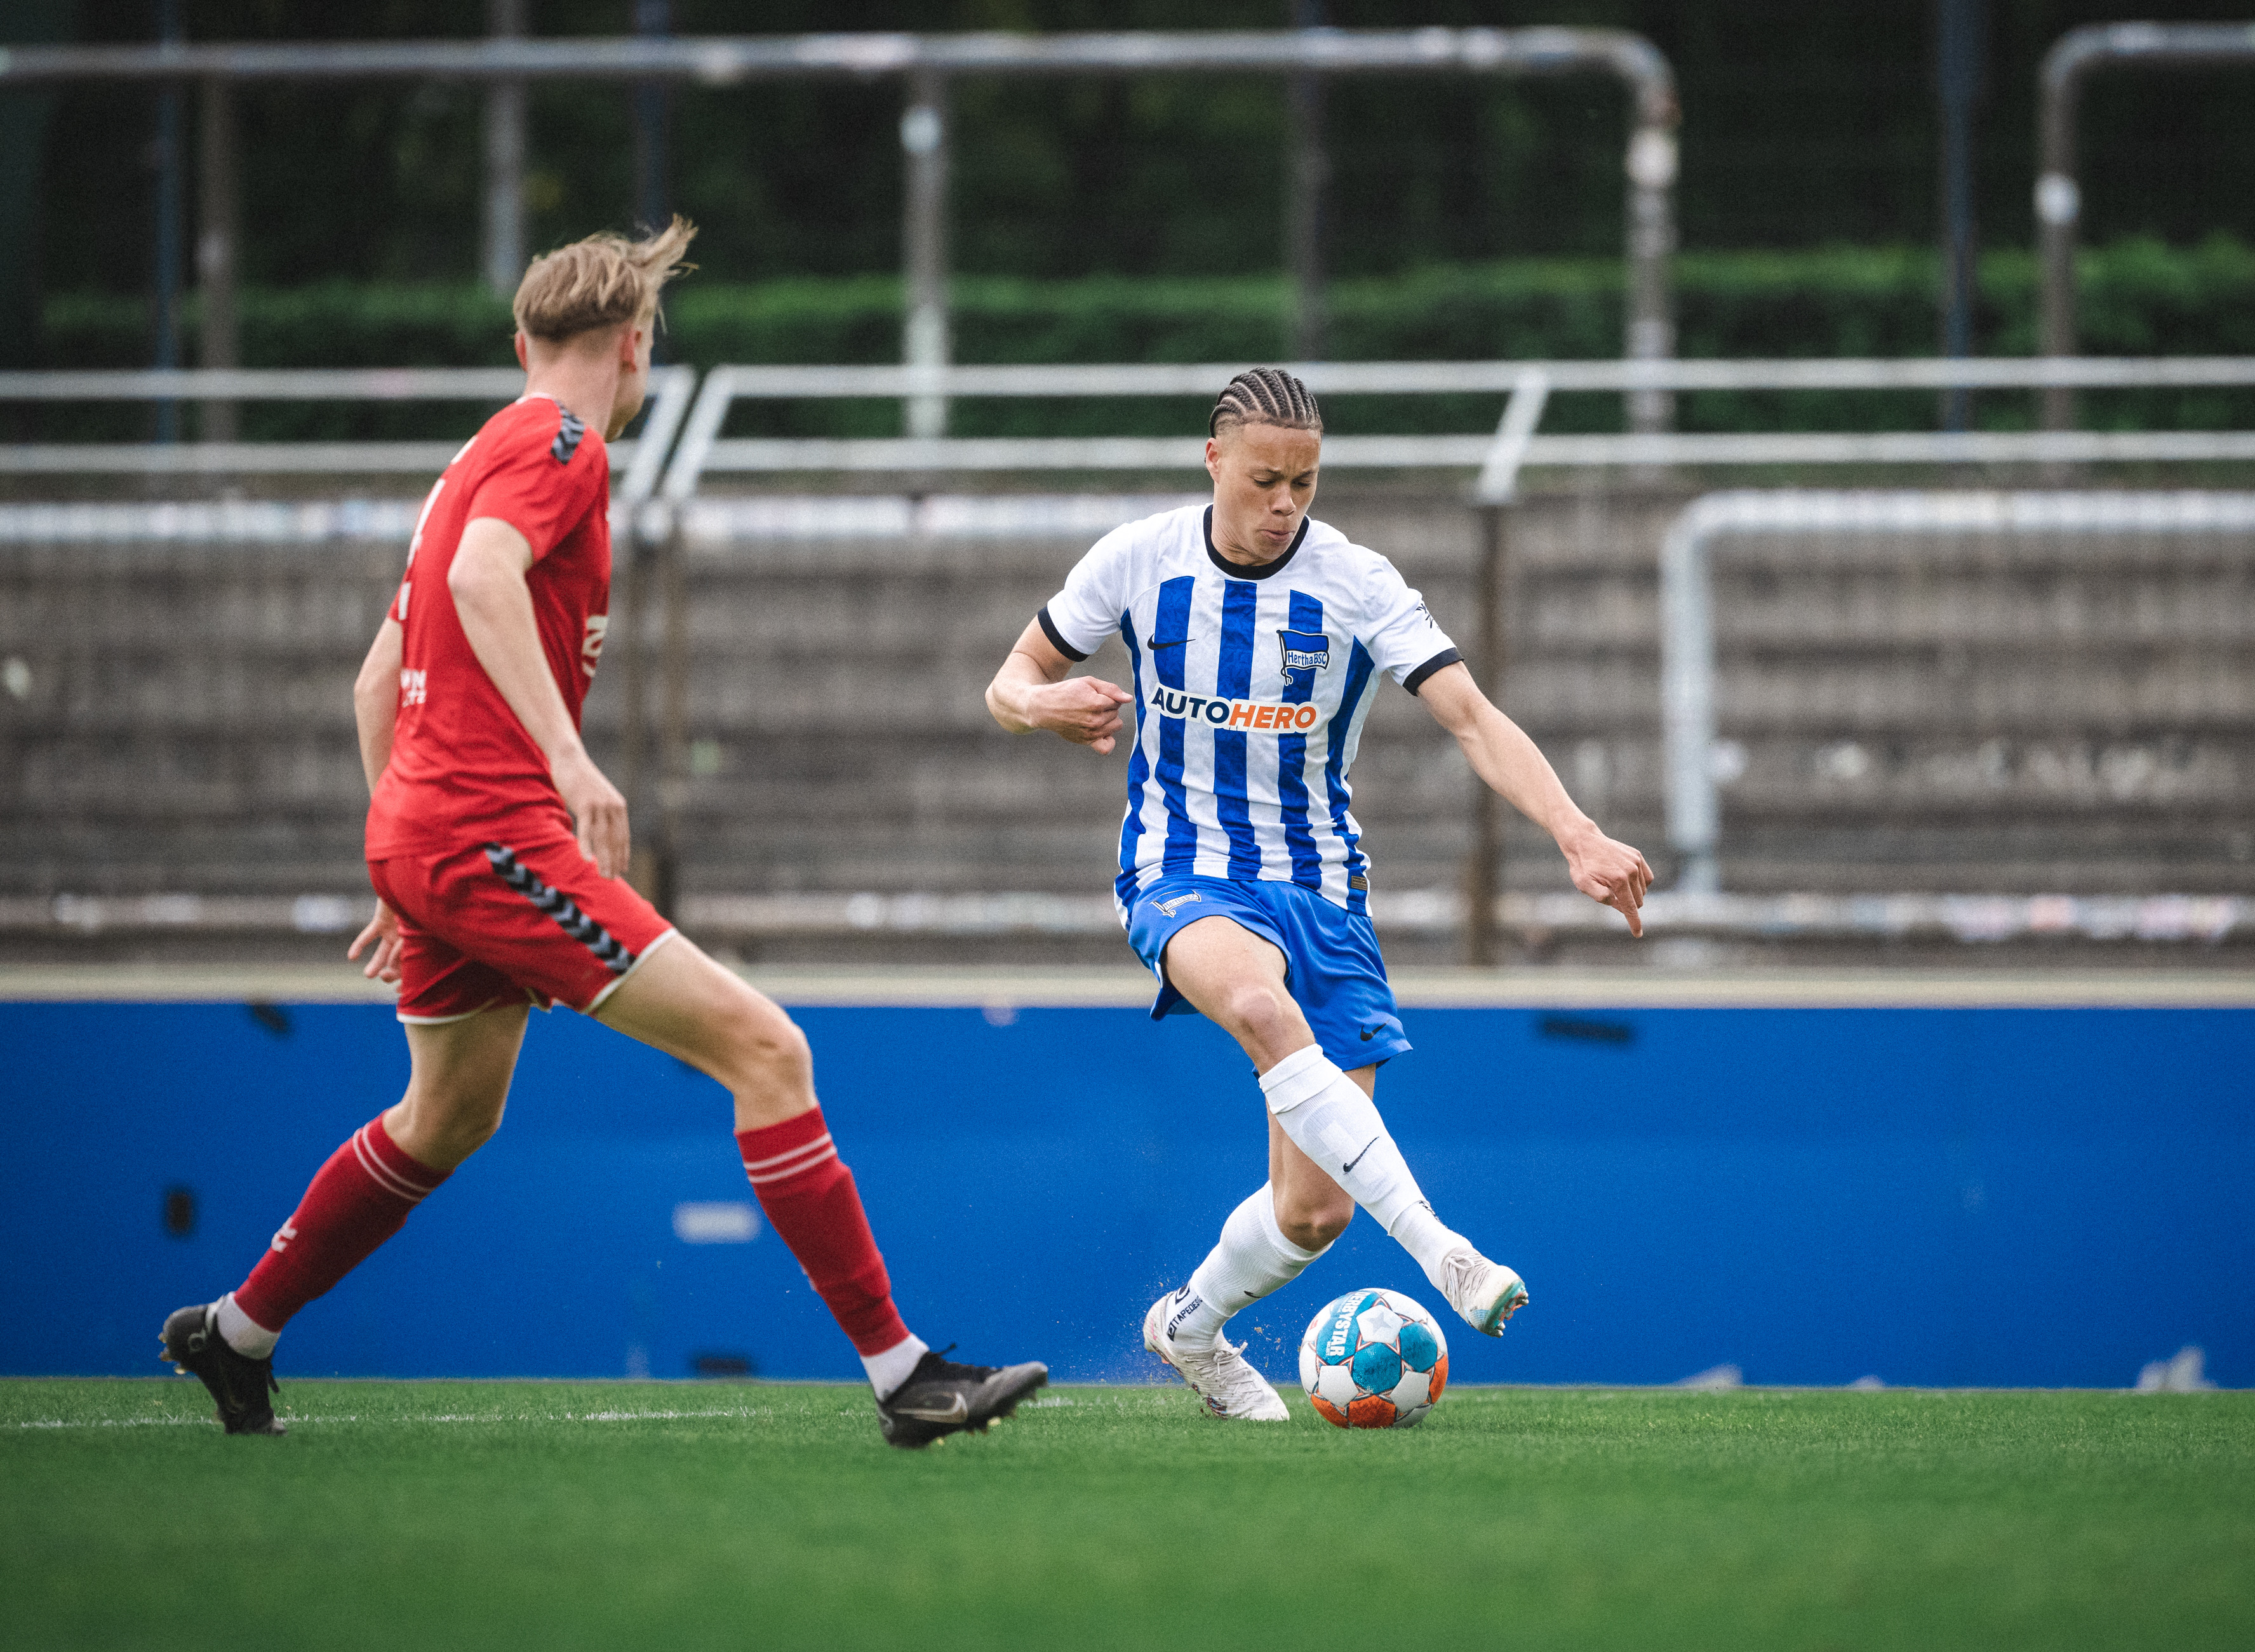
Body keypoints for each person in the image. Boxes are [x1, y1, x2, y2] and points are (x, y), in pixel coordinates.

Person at [161, 220, 1045, 1448]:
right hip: (488, 827)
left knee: (449, 1118)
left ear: (523, 340)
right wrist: (567, 760)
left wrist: (399, 857)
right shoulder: (562, 442)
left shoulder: (473, 453)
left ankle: (236, 1332)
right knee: (767, 1050)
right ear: (635, 350)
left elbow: (380, 680)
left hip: (431, 830)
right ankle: (907, 1375)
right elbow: (482, 582)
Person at [984, 368, 1652, 1420]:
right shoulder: (1137, 559)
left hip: (1323, 890)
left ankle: (1189, 1327)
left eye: (1304, 480)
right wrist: (1039, 704)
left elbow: (1472, 717)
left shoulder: (1355, 580)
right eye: (1264, 480)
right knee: (1259, 1006)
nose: (1285, 502)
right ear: (1214, 462)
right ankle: (1446, 1252)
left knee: (1313, 1213)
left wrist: (1574, 832)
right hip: (1182, 866)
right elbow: (1007, 677)